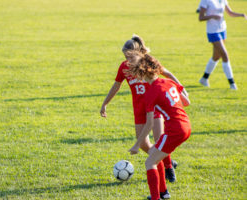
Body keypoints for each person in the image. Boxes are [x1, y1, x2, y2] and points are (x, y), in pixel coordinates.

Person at [100, 35, 188, 183]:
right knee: (142, 144)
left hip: (155, 106)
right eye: (124, 56)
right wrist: (105, 103)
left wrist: (183, 91)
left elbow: (168, 74)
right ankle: (162, 160)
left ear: (138, 53)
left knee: (160, 139)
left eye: (129, 56)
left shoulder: (148, 63)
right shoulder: (124, 67)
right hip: (139, 109)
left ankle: (168, 168)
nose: (127, 59)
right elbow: (116, 85)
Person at [126, 50, 191, 200]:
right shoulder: (168, 82)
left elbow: (149, 124)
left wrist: (137, 145)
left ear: (142, 73)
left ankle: (156, 198)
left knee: (149, 162)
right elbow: (187, 102)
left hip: (175, 130)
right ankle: (163, 193)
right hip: (186, 125)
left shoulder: (151, 93)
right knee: (155, 155)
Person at [198, 0, 247, 90]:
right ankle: (232, 83)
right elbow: (200, 17)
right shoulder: (205, 1)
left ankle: (204, 79)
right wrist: (213, 16)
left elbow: (230, 12)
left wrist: (241, 15)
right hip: (213, 31)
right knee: (225, 55)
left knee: (216, 56)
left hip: (222, 30)